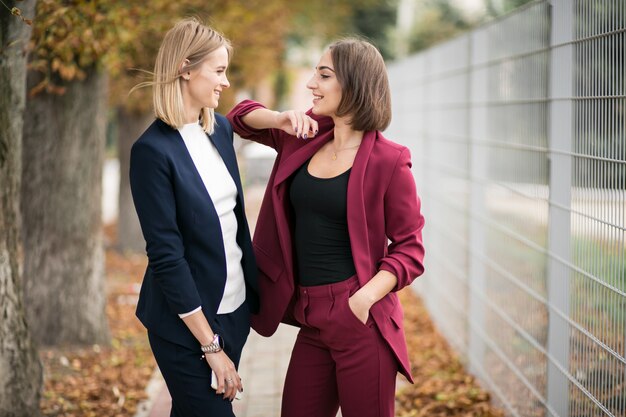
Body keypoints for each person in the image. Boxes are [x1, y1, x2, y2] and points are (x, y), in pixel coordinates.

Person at [226, 38, 425, 417]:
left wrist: (364, 300)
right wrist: (279, 117)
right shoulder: (303, 135)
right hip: (310, 317)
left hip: (359, 318)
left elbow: (410, 249)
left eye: (324, 74)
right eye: (314, 73)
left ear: (353, 84)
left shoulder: (390, 160)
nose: (311, 83)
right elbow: (239, 117)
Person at [129, 18, 258, 416]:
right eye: (218, 71)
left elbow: (230, 220)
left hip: (234, 311)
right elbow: (167, 256)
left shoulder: (218, 129)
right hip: (187, 327)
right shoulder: (151, 152)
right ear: (185, 68)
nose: (226, 82)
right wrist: (210, 346)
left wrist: (282, 119)